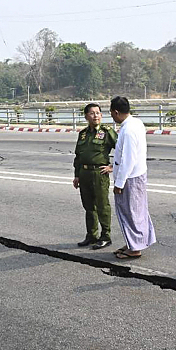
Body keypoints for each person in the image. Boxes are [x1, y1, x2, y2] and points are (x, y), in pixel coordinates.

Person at [109, 96, 155, 259]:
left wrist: (119, 183)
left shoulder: (127, 130)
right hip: (138, 174)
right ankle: (133, 242)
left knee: (129, 212)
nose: (112, 117)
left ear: (116, 112)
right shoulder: (136, 123)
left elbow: (128, 159)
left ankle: (135, 248)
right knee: (138, 211)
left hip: (130, 178)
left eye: (112, 114)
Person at [73, 103, 118, 250]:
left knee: (102, 205)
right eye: (92, 113)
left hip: (99, 173)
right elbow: (78, 156)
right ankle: (91, 235)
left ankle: (106, 236)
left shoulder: (107, 132)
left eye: (98, 113)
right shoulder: (83, 134)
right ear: (86, 116)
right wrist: (77, 175)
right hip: (84, 174)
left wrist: (113, 167)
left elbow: (121, 149)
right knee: (88, 206)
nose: (96, 116)